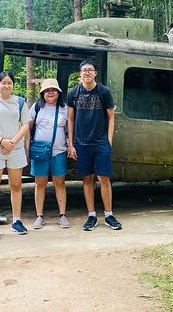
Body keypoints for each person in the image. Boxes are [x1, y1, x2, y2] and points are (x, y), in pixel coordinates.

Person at [67, 59, 122, 231]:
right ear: (80, 73)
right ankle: (91, 215)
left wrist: (109, 141)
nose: (87, 73)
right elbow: (70, 119)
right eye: (84, 70)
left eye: (90, 70)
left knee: (104, 178)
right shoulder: (73, 93)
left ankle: (109, 215)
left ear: (95, 73)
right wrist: (71, 144)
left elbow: (111, 117)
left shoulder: (103, 91)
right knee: (87, 179)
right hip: (82, 143)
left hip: (100, 143)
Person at [0, 71, 31, 239]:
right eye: (3, 83)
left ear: (13, 84)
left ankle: (16, 220)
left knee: (16, 186)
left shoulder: (20, 102)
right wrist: (2, 141)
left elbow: (25, 125)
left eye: (9, 82)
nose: (6, 86)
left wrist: (12, 142)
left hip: (15, 149)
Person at [29, 78, 69, 229]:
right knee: (40, 183)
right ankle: (39, 215)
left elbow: (69, 129)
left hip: (59, 151)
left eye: (53, 90)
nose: (50, 93)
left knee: (60, 183)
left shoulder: (65, 108)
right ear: (42, 93)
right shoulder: (37, 107)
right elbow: (28, 127)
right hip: (40, 152)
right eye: (47, 90)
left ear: (58, 92)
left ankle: (62, 215)